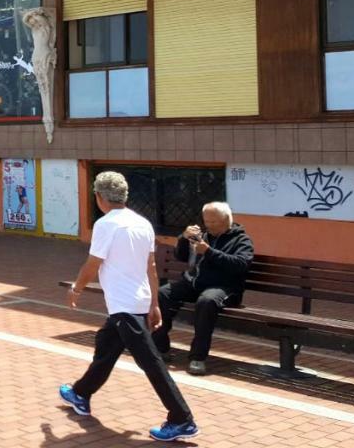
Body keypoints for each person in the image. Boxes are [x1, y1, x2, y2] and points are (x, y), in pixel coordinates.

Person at [59, 171, 198, 443]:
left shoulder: (106, 225)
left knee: (152, 363)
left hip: (124, 305)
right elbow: (152, 268)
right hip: (135, 302)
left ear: (99, 197)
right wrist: (154, 303)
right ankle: (81, 393)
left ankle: (182, 418)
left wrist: (76, 288)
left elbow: (93, 263)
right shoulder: (142, 223)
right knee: (106, 345)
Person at [152, 202, 254, 376]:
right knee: (163, 294)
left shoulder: (241, 240)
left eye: (214, 222)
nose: (209, 225)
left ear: (227, 220)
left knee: (206, 302)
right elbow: (182, 256)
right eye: (207, 221)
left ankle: (197, 358)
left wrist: (209, 252)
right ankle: (160, 348)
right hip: (194, 283)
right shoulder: (204, 236)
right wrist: (184, 238)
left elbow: (241, 265)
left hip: (224, 287)